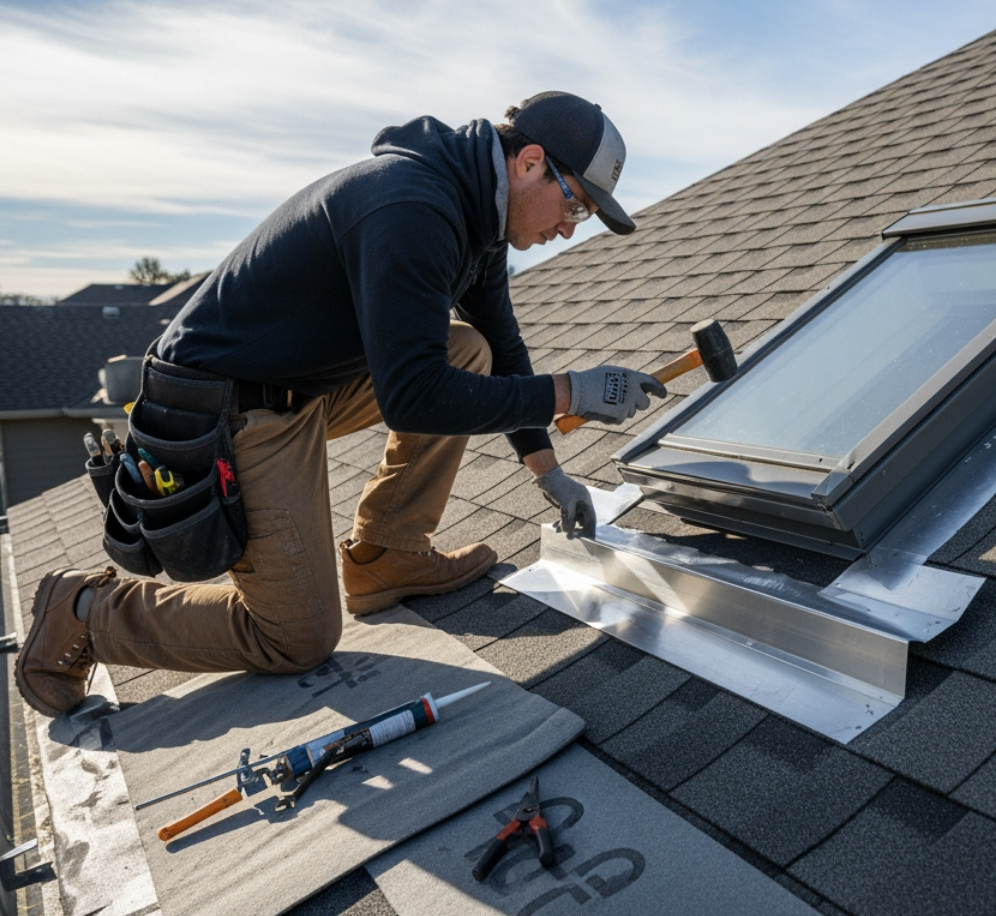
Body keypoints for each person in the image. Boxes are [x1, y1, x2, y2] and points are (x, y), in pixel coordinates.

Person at [16, 91, 664, 717]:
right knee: (295, 638)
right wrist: (573, 391)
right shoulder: (410, 207)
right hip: (223, 408)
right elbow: (415, 398)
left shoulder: (477, 219)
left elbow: (503, 347)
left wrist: (549, 472)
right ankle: (86, 611)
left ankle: (387, 552)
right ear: (529, 164)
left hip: (297, 387)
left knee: (467, 351)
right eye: (575, 206)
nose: (566, 229)